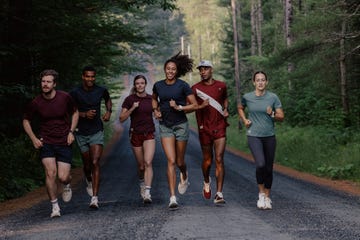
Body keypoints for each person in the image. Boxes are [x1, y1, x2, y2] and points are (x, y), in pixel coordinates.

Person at [23, 69, 79, 218]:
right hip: (46, 141)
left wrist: (71, 132)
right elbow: (26, 120)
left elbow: (75, 112)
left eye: (48, 82)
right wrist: (34, 138)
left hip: (63, 140)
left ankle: (67, 184)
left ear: (54, 84)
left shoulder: (65, 97)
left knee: (62, 177)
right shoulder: (36, 102)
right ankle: (55, 206)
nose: (45, 84)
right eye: (43, 81)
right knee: (50, 173)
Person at [152, 52, 198, 209]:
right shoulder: (158, 85)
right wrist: (155, 111)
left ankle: (184, 174)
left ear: (176, 71)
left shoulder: (183, 86)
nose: (170, 71)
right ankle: (172, 197)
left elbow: (194, 105)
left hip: (180, 125)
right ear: (164, 69)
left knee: (179, 161)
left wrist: (179, 107)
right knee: (171, 161)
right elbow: (154, 99)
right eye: (168, 68)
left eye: (173, 69)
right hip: (165, 125)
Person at [237, 71, 284, 210]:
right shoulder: (248, 97)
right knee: (260, 164)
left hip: (269, 136)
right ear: (254, 82)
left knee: (269, 168)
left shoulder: (273, 97)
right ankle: (261, 194)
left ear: (266, 82)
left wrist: (273, 114)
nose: (260, 82)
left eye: (263, 80)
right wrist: (244, 119)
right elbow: (240, 107)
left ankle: (268, 197)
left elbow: (281, 116)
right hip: (254, 135)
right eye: (258, 80)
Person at [70, 66, 112, 209]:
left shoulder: (101, 90)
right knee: (87, 164)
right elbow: (69, 111)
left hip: (96, 130)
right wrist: (84, 115)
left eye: (92, 76)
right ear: (83, 77)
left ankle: (95, 198)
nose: (90, 79)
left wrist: (109, 111)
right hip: (81, 131)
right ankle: (88, 178)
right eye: (87, 76)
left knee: (95, 162)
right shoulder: (75, 92)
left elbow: (108, 99)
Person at [191, 60, 229, 204]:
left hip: (220, 126)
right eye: (201, 69)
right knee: (208, 160)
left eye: (206, 69)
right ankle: (206, 181)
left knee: (219, 159)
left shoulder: (221, 86)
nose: (203, 72)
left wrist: (226, 109)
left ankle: (219, 193)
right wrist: (201, 106)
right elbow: (192, 106)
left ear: (211, 70)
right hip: (204, 128)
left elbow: (225, 99)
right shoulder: (195, 88)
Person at [120, 75, 155, 204]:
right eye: (137, 83)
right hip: (135, 134)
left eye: (142, 83)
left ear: (145, 84)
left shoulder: (151, 98)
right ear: (135, 85)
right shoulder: (130, 100)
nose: (140, 85)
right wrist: (133, 108)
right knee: (141, 167)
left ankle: (147, 192)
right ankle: (142, 182)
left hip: (149, 134)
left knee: (148, 162)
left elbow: (158, 112)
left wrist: (158, 114)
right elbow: (122, 118)